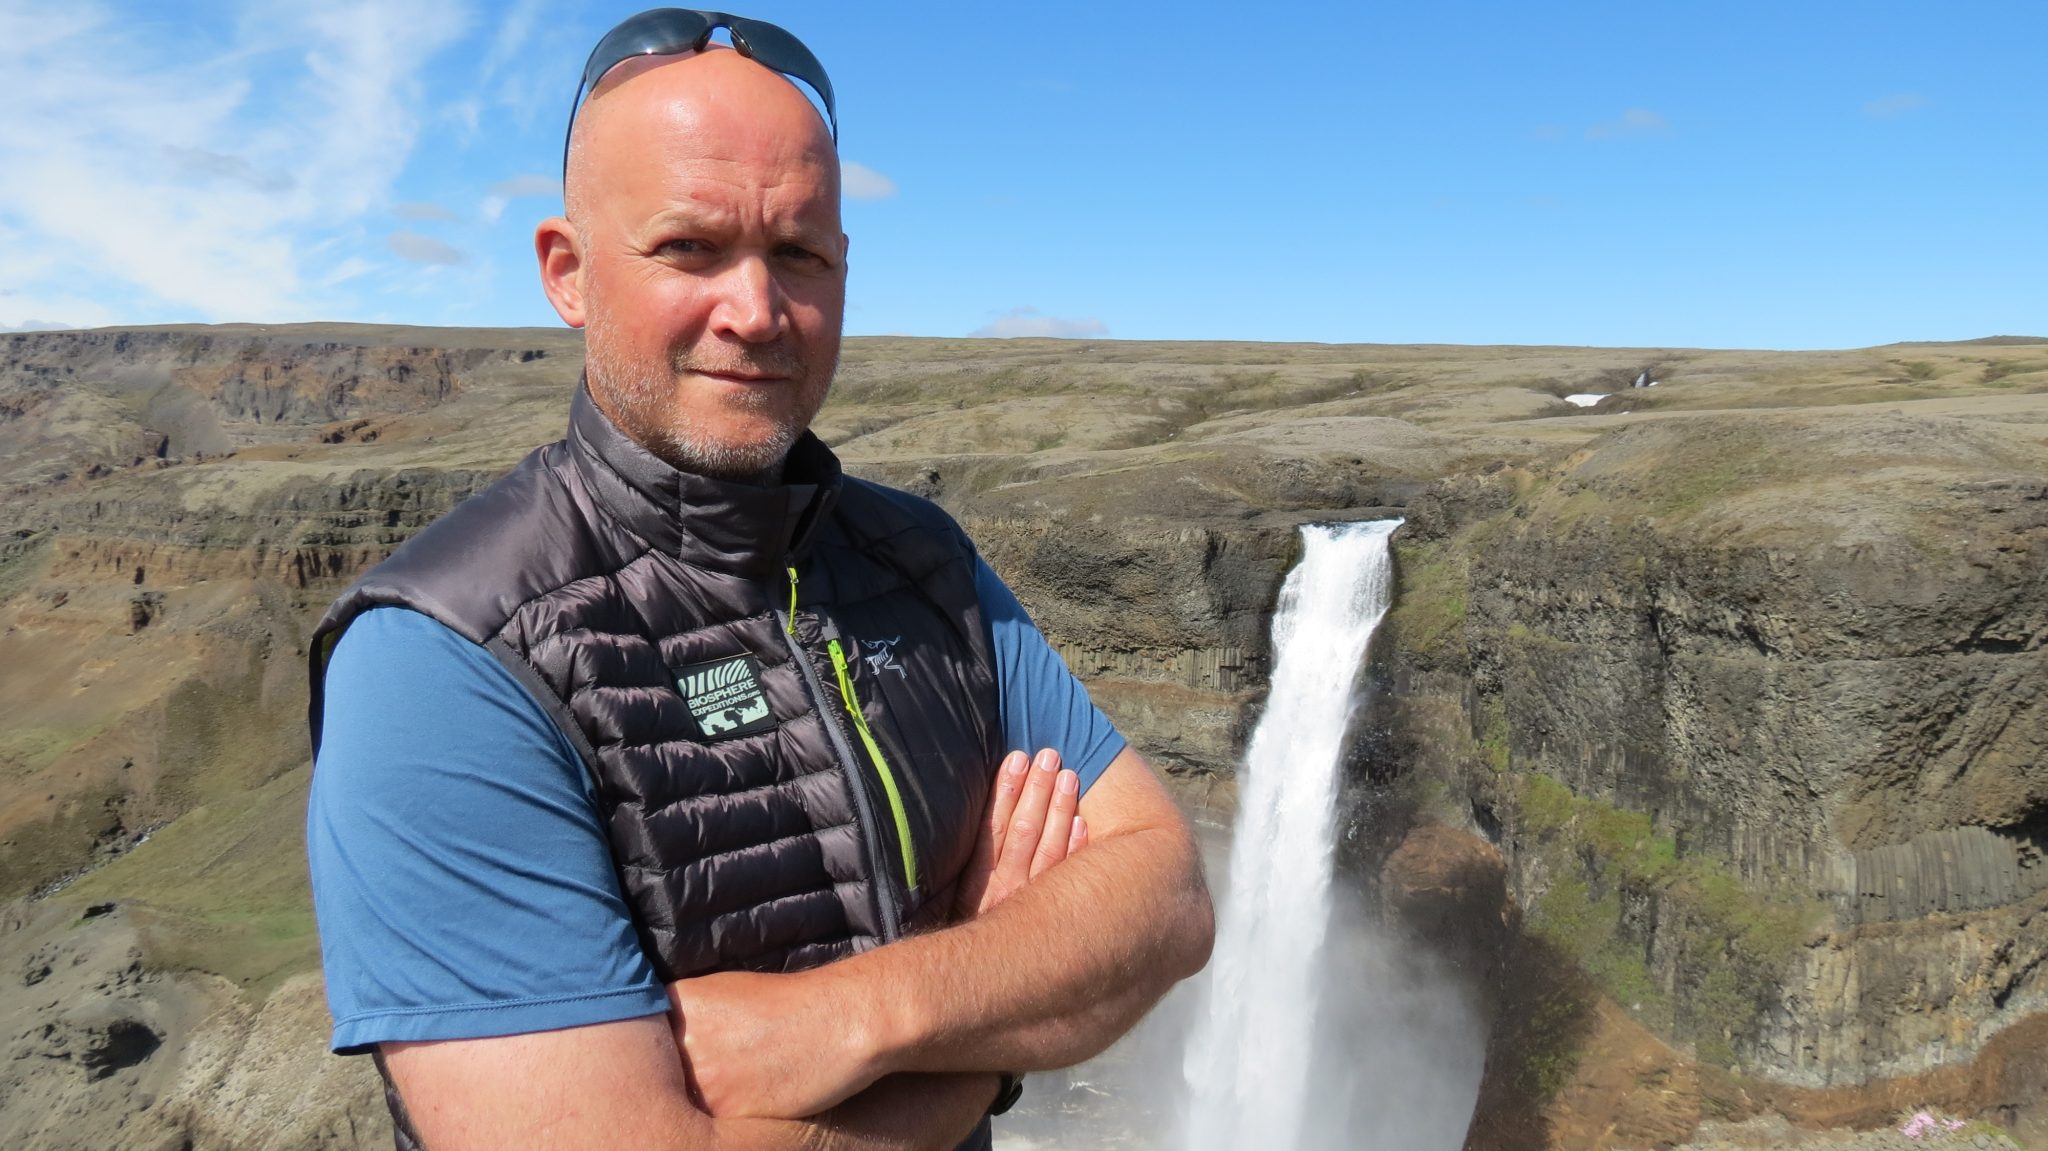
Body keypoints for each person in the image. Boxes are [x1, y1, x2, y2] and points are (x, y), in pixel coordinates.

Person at [302, 11, 1213, 1151]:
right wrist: (991, 1025)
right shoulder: (443, 659)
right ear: (568, 273)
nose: (754, 310)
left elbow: (1167, 896)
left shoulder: (922, 563)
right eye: (689, 246)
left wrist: (858, 1016)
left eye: (797, 253)